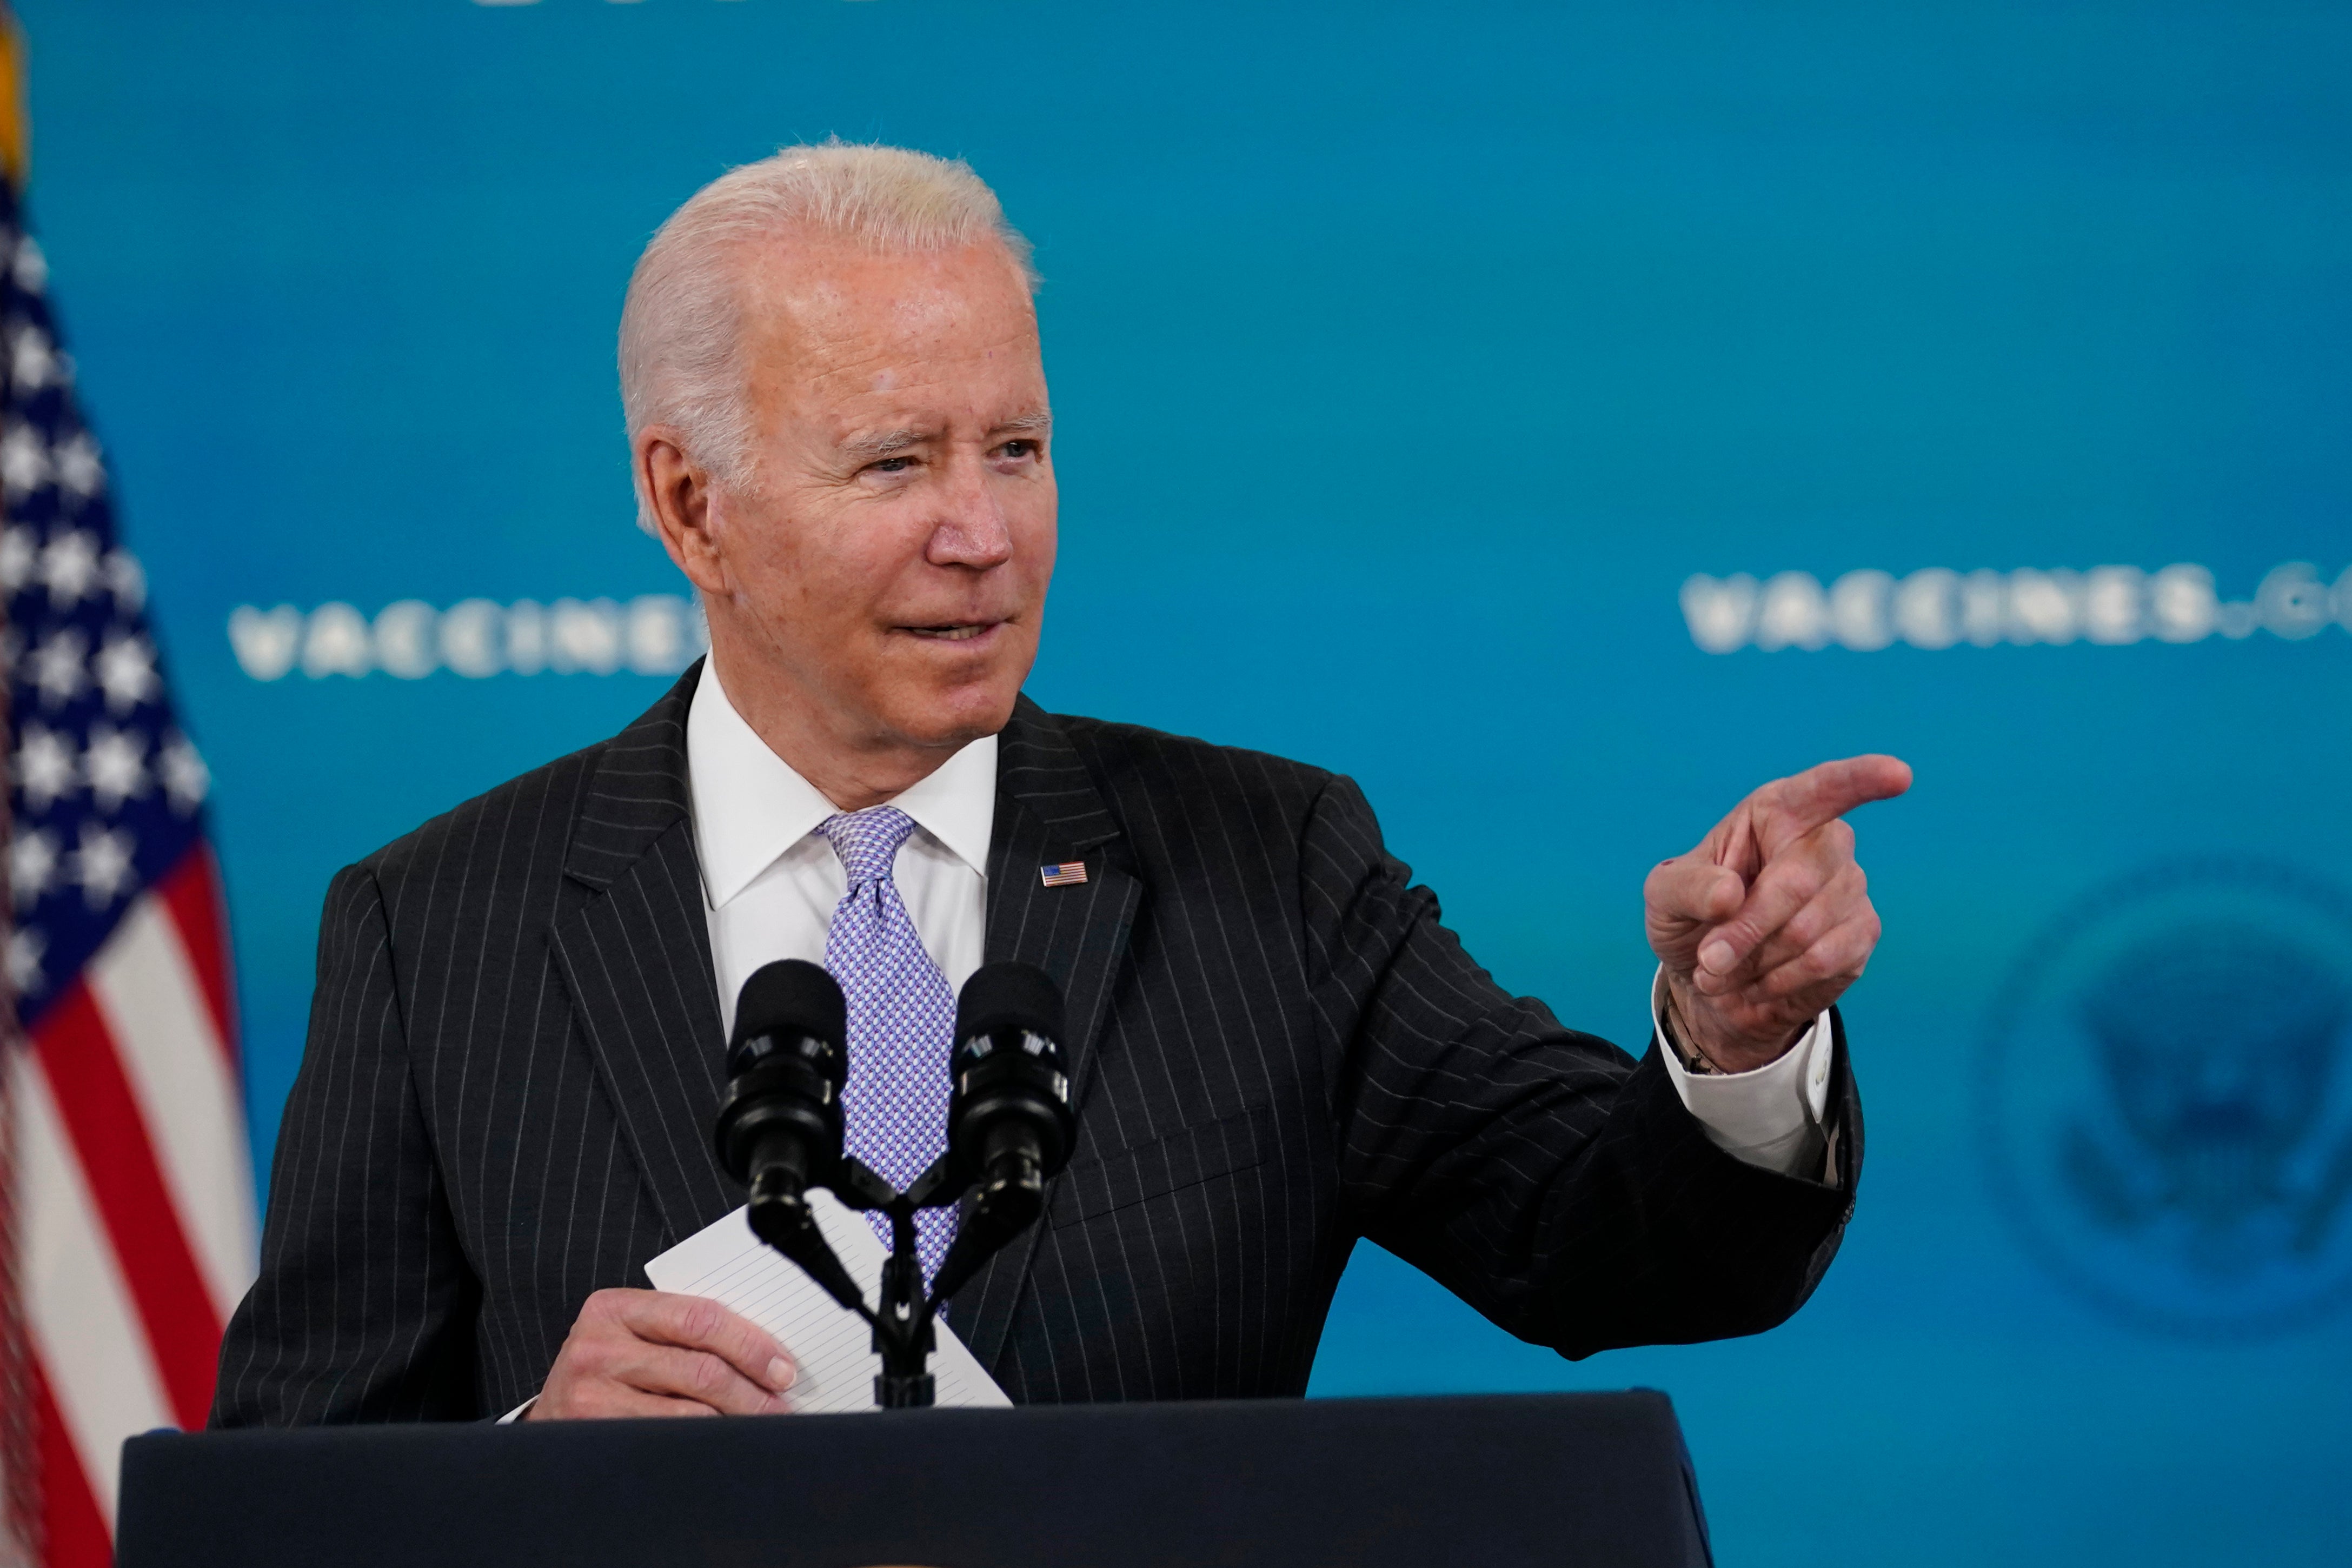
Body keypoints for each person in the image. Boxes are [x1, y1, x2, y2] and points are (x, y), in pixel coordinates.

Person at [212, 143, 1908, 1425]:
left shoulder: (1271, 868)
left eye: (1014, 447)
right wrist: (514, 1466)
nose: (984, 532)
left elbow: (1621, 1242)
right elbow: (287, 1498)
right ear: (691, 503)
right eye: (895, 460)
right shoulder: (437, 927)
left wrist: (1733, 1046)